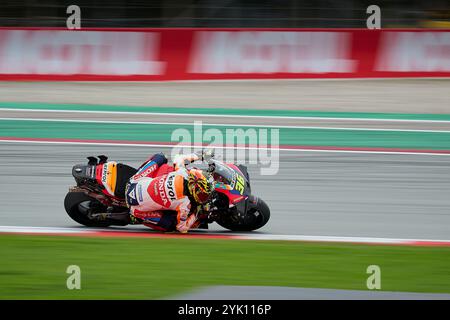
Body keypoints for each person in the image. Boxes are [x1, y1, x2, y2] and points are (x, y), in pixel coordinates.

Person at [124, 152, 214, 233]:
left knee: (161, 157)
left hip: (133, 182)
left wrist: (200, 156)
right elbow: (182, 228)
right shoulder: (185, 204)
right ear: (194, 190)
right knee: (171, 225)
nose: (205, 197)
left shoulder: (181, 173)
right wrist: (197, 214)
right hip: (135, 208)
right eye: (203, 194)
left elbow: (179, 157)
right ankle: (137, 218)